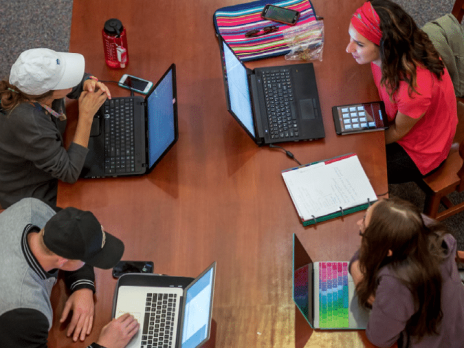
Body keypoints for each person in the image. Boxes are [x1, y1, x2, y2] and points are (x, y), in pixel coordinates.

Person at [0, 197, 139, 348]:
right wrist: (105, 345)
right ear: (62, 260)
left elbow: (73, 231)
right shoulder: (24, 311)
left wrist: (83, 285)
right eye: (88, 260)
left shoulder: (33, 209)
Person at [346, 0, 458, 184]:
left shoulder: (413, 90)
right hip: (406, 118)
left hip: (421, 149)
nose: (348, 49)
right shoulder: (397, 50)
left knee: (358, 170)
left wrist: (363, 143)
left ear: (385, 48)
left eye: (359, 44)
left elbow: (398, 131)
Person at [0, 48, 111, 209]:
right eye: (67, 81)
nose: (73, 82)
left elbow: (71, 83)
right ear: (48, 93)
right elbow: (69, 172)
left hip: (43, 153)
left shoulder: (27, 89)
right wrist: (86, 117)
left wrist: (87, 81)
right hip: (28, 190)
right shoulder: (32, 124)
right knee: (91, 200)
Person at [349, 197, 464, 347]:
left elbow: (379, 339)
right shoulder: (420, 225)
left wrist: (359, 278)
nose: (359, 223)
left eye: (364, 224)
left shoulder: (397, 284)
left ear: (386, 251)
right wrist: (356, 265)